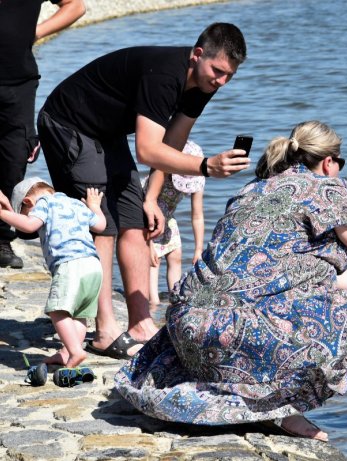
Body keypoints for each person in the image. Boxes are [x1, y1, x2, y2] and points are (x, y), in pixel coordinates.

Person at [114, 120, 347, 442]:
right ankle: (280, 408)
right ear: (328, 162)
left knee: (317, 307)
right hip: (233, 332)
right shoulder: (325, 191)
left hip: (185, 328)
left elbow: (269, 270)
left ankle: (255, 404)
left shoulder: (251, 190)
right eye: (340, 163)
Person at [36, 23, 251, 360]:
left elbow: (173, 141)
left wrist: (151, 196)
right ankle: (105, 331)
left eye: (229, 76)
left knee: (136, 219)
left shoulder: (203, 84)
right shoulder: (165, 75)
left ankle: (140, 323)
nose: (221, 82)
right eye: (218, 71)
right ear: (197, 55)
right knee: (101, 224)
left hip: (106, 133)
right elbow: (148, 151)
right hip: (68, 122)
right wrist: (207, 166)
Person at [0, 0, 86, 269]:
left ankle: (2, 239)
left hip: (19, 82)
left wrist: (34, 32)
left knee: (14, 157)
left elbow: (76, 6)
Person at [0, 177, 105, 384]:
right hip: (94, 266)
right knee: (79, 314)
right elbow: (101, 225)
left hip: (69, 264)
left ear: (28, 202)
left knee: (58, 310)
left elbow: (30, 225)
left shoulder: (44, 203)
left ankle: (75, 351)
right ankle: (67, 351)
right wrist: (95, 207)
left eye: (21, 212)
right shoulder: (74, 203)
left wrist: (3, 213)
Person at [143, 140, 206, 306]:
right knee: (153, 261)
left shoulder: (197, 178)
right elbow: (145, 209)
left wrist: (198, 249)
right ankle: (153, 302)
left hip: (168, 217)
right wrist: (148, 245)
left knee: (176, 256)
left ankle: (175, 298)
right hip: (146, 217)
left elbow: (197, 215)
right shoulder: (159, 176)